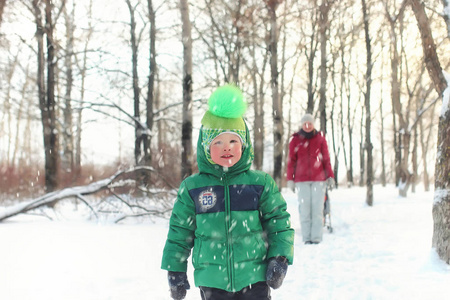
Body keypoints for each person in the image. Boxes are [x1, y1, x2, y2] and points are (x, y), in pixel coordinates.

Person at [161, 84, 294, 300]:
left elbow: (279, 221)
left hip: (254, 277)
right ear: (205, 147)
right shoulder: (193, 188)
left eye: (233, 141)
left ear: (244, 145)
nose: (227, 148)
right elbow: (179, 232)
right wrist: (175, 269)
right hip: (213, 281)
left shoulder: (260, 184)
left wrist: (279, 257)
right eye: (218, 142)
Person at [286, 113, 335, 245]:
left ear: (313, 125)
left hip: (319, 179)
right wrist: (290, 178)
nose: (307, 126)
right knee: (305, 209)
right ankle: (307, 237)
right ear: (302, 125)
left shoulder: (320, 139)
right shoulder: (295, 140)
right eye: (305, 124)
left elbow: (326, 159)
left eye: (310, 123)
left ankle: (316, 238)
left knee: (317, 209)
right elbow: (291, 161)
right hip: (301, 181)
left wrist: (330, 176)